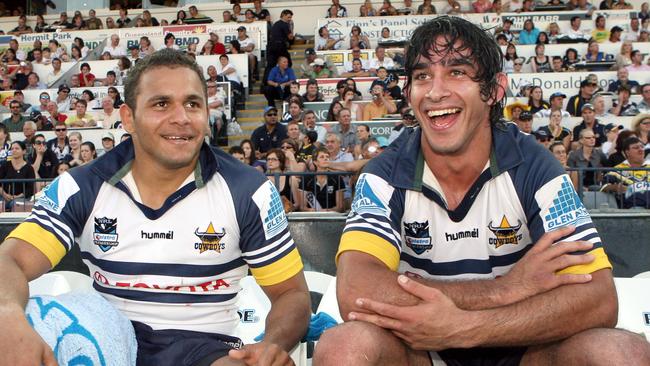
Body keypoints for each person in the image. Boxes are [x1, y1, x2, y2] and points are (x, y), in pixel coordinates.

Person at [313, 16, 650, 366]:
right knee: (344, 346)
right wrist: (506, 289)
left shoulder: (535, 168)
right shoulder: (383, 175)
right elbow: (357, 292)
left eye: (457, 72)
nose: (435, 91)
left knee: (622, 353)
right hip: (423, 350)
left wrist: (468, 327)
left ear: (493, 90)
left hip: (522, 348)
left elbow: (599, 299)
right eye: (422, 75)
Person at [0, 49, 310, 366]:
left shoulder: (248, 190)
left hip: (204, 349)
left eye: (193, 103)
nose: (181, 117)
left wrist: (271, 344)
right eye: (161, 104)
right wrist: (7, 314)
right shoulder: (81, 187)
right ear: (128, 118)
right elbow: (10, 260)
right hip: (103, 339)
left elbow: (292, 294)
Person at [601, 136, 650, 208]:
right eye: (636, 148)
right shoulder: (617, 170)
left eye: (642, 147)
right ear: (627, 152)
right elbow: (604, 186)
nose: (641, 150)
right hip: (629, 204)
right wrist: (616, 187)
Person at [298, 147, 345, 212]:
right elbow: (303, 207)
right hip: (312, 217)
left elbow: (340, 207)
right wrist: (315, 211)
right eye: (322, 157)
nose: (325, 158)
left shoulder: (337, 178)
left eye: (327, 157)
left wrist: (326, 211)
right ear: (315, 162)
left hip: (331, 217)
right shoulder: (306, 178)